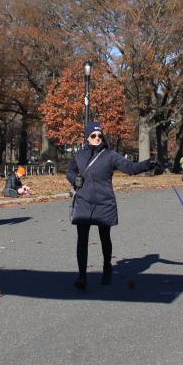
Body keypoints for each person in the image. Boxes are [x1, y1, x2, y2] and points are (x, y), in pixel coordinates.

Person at [67, 121, 152, 290]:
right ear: (87, 137)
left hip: (104, 202)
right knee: (82, 239)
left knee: (104, 237)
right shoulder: (79, 155)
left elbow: (130, 168)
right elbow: (70, 171)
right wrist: (74, 179)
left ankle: (107, 266)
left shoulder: (110, 155)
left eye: (99, 135)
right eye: (93, 135)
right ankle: (82, 276)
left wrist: (148, 164)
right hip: (84, 201)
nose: (97, 138)